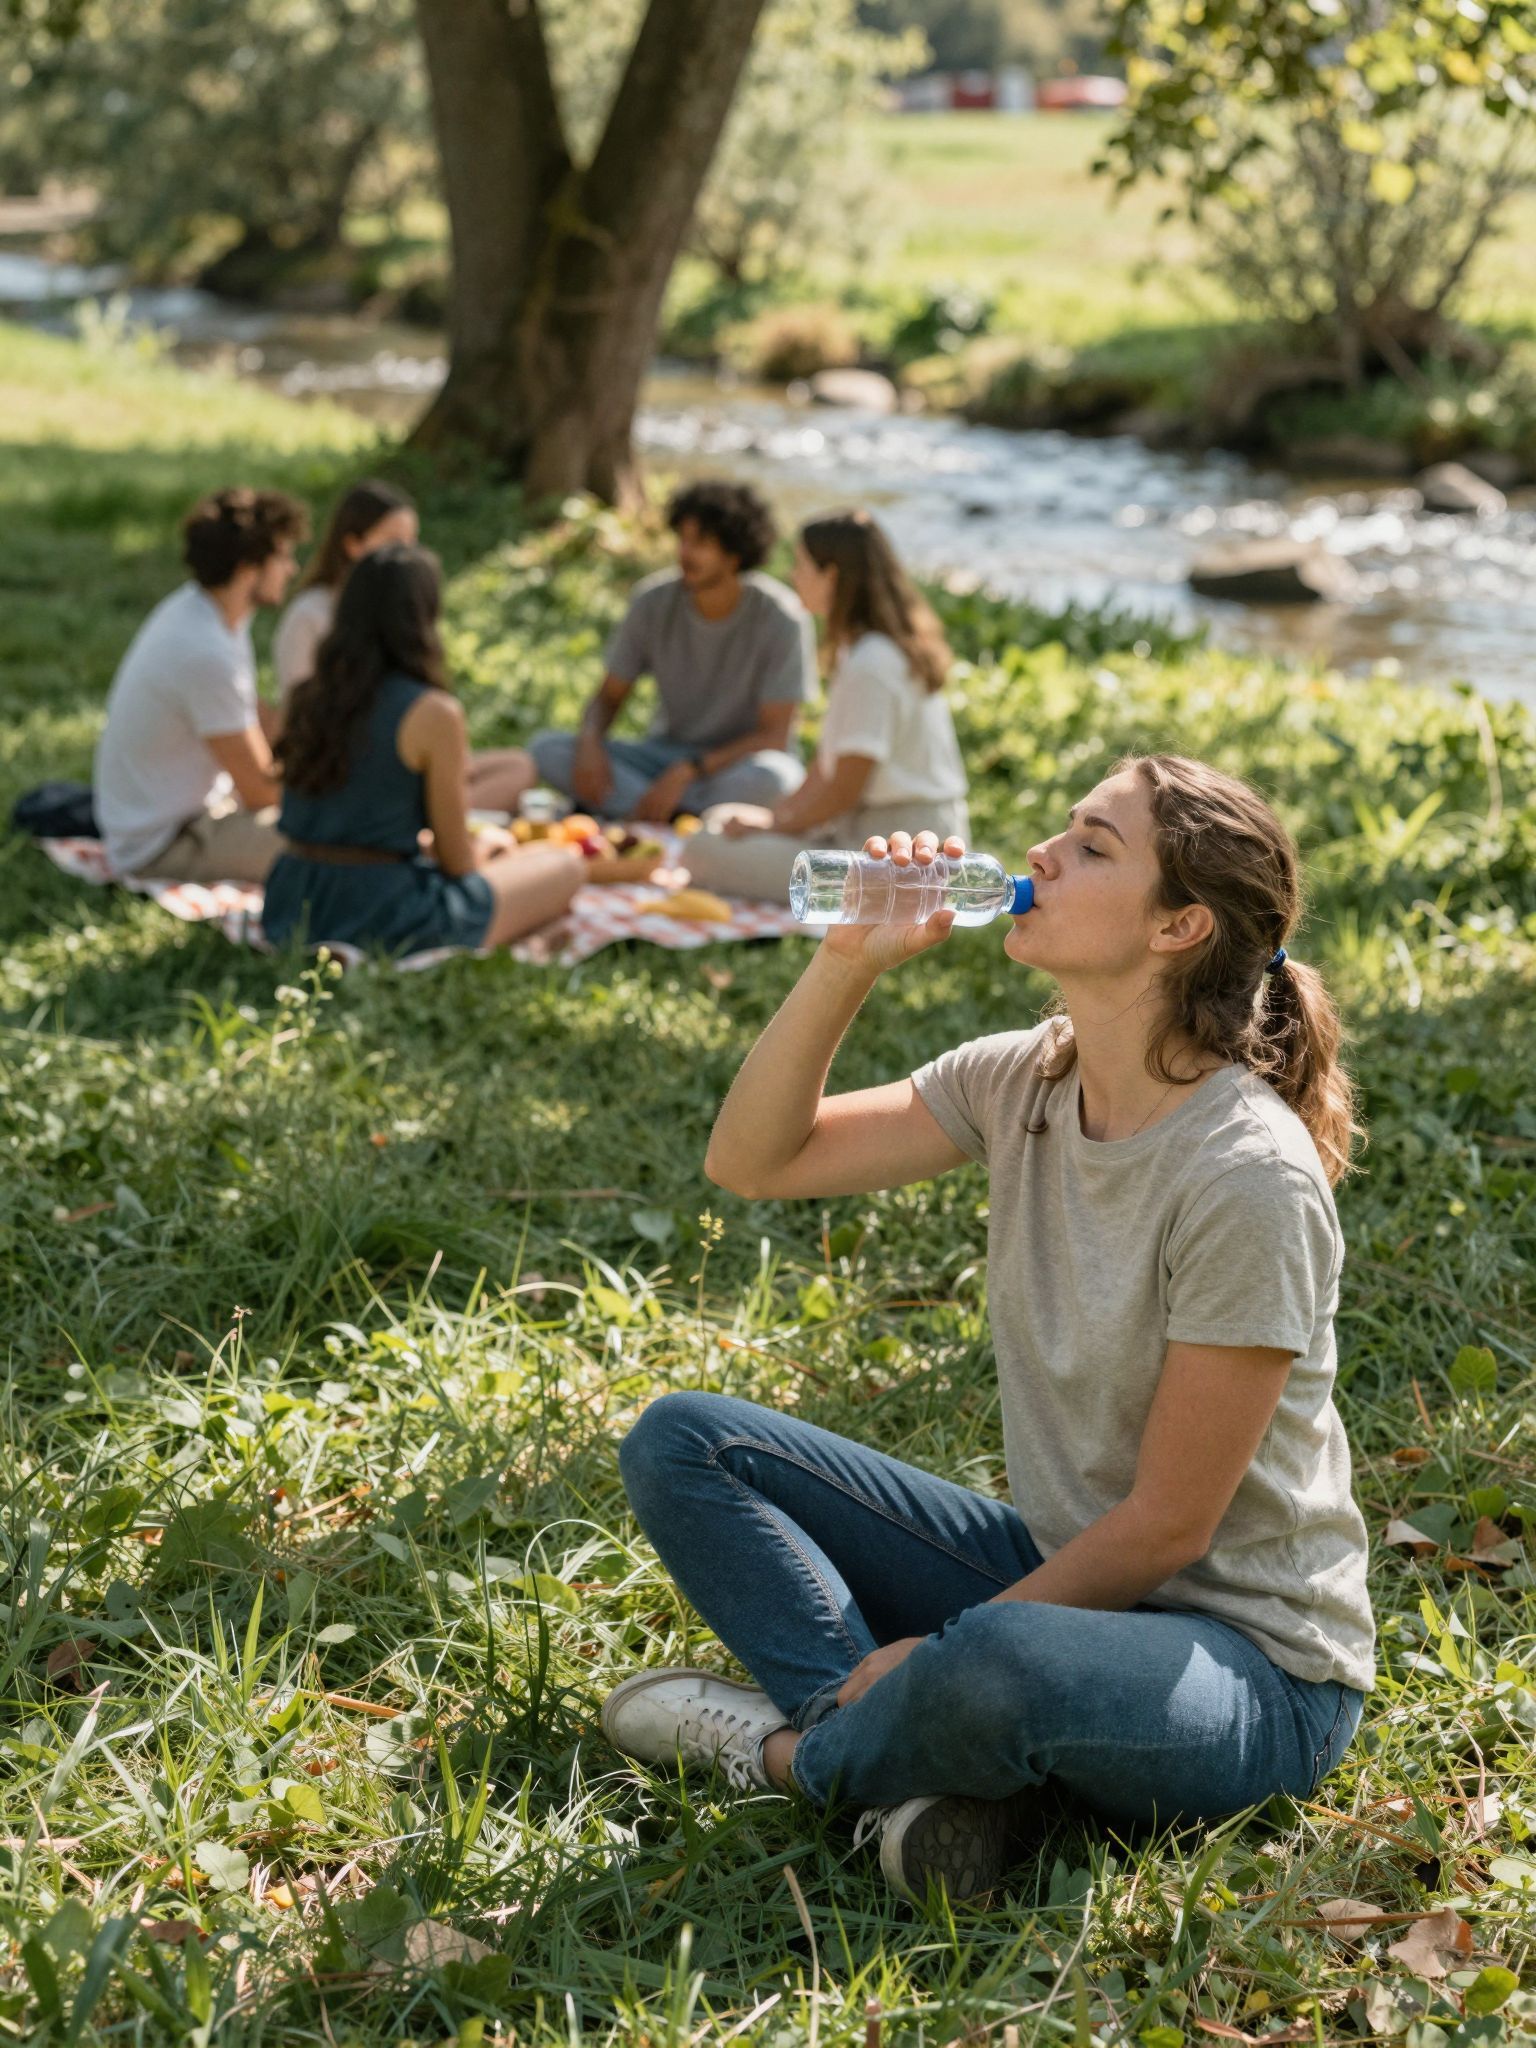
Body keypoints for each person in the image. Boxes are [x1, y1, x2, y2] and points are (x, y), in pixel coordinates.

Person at [602, 758, 1375, 1905]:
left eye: (1093, 845)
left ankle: (792, 1757)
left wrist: (943, 1649)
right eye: (1064, 828)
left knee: (995, 1658)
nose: (1042, 854)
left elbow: (1169, 1524)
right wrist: (846, 960)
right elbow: (754, 1160)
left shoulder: (1245, 1175)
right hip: (1063, 1575)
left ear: (1178, 926)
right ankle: (918, 1775)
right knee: (685, 1441)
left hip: (1252, 1671)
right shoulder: (1024, 1079)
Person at [263, 545, 582, 955]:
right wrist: (486, 849)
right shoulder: (432, 712)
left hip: (292, 903)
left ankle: (528, 938)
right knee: (564, 865)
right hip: (384, 913)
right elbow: (457, 862)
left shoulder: (305, 696)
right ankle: (527, 940)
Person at [685, 511, 970, 903]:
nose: (793, 575)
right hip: (868, 835)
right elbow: (826, 768)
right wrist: (773, 819)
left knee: (701, 850)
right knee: (720, 821)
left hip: (903, 852)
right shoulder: (863, 650)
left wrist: (773, 828)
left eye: (801, 564)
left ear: (831, 575)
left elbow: (843, 791)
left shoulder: (873, 663)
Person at [528, 480, 815, 822]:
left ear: (735, 554)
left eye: (700, 543)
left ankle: (651, 812)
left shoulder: (781, 617)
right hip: (661, 758)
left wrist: (690, 770)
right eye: (682, 539)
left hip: (733, 766)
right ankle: (689, 818)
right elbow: (608, 697)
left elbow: (774, 735)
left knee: (777, 779)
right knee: (548, 748)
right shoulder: (652, 602)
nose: (685, 553)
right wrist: (590, 744)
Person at [273, 479, 533, 811]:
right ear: (352, 544)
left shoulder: (399, 612)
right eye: (394, 541)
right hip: (350, 763)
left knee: (518, 766)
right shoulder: (312, 615)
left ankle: (436, 811)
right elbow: (302, 717)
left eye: (413, 542)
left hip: (408, 748)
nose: (407, 554)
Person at [94, 487, 308, 883]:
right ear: (248, 568)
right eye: (282, 557)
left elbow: (248, 711)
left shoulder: (206, 610)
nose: (291, 569)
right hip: (163, 845)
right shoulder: (204, 650)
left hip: (191, 813)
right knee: (331, 845)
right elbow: (261, 792)